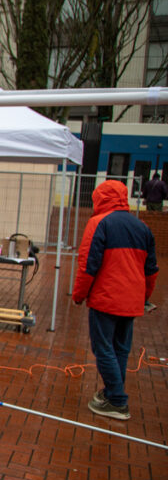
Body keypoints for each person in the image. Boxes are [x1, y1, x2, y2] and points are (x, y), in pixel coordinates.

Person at [72, 180, 158, 420]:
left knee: (103, 348)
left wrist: (79, 294)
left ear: (99, 198)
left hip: (106, 298)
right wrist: (144, 297)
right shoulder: (142, 227)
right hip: (131, 301)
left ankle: (118, 400)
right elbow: (151, 270)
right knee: (120, 349)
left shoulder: (99, 223)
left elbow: (88, 264)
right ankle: (112, 393)